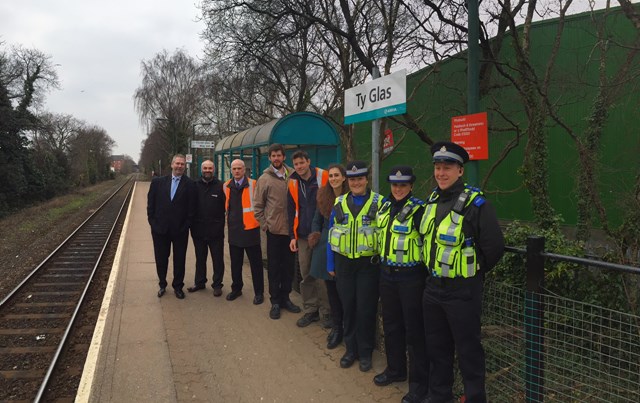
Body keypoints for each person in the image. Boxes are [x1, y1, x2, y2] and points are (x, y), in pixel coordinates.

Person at [419, 141, 505, 403]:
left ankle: (475, 398)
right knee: (437, 349)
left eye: (447, 168)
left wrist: (471, 273)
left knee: (468, 352)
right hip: (433, 289)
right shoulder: (432, 200)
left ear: (459, 171)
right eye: (437, 167)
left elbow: (494, 248)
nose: (441, 173)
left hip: (462, 292)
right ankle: (439, 396)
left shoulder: (476, 204)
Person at [374, 165, 430, 403]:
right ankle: (396, 370)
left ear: (411, 186)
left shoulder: (419, 210)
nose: (398, 189)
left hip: (411, 278)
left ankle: (419, 385)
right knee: (392, 325)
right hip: (387, 275)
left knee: (415, 331)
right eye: (395, 185)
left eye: (403, 185)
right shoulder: (384, 207)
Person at [327, 160, 382, 373]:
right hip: (344, 265)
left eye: (360, 178)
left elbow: (385, 236)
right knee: (348, 307)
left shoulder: (379, 202)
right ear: (347, 181)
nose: (356, 182)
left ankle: (366, 352)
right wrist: (331, 264)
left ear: (366, 179)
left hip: (369, 266)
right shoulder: (338, 202)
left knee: (366, 309)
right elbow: (332, 234)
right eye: (352, 179)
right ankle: (351, 350)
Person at [254, 143, 301, 319]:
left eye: (279, 155)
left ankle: (286, 298)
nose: (276, 158)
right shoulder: (264, 179)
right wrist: (265, 225)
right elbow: (257, 206)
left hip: (291, 232)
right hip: (273, 231)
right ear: (269, 158)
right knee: (274, 268)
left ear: (284, 157)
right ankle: (275, 301)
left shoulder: (294, 175)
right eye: (273, 156)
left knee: (288, 268)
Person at [287, 149, 330, 328]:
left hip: (321, 233)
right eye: (296, 164)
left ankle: (327, 313)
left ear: (308, 161)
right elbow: (291, 211)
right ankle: (311, 310)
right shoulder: (292, 182)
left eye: (302, 163)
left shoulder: (323, 176)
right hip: (303, 234)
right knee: (306, 274)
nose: (299, 167)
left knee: (322, 274)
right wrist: (292, 236)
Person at [309, 164, 349, 349]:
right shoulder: (323, 196)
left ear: (343, 177)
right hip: (327, 247)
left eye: (336, 175)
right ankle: (337, 327)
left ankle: (348, 328)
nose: (333, 178)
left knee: (345, 292)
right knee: (331, 291)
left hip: (347, 247)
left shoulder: (352, 195)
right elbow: (316, 220)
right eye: (330, 175)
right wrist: (315, 235)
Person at [147, 154, 196, 299]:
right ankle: (162, 284)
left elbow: (192, 209)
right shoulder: (158, 182)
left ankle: (178, 286)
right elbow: (151, 205)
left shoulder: (190, 184)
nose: (179, 166)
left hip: (180, 230)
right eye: (177, 163)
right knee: (161, 258)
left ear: (185, 166)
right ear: (172, 164)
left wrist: (186, 225)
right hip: (160, 230)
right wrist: (153, 223)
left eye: (182, 164)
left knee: (179, 260)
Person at [223, 159, 265, 304]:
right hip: (234, 231)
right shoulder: (226, 186)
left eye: (239, 168)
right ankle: (236, 289)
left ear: (244, 169)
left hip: (251, 231)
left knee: (256, 264)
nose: (236, 171)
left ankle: (259, 292)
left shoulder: (254, 184)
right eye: (234, 168)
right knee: (235, 264)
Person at [187, 160, 226, 296]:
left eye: (210, 168)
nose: (207, 170)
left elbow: (227, 207)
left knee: (218, 260)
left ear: (213, 170)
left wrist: (221, 224)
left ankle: (217, 285)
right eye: (205, 168)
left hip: (216, 231)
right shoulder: (194, 185)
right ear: (201, 170)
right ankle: (200, 282)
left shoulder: (221, 186)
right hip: (198, 230)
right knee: (200, 258)